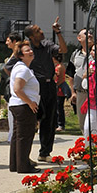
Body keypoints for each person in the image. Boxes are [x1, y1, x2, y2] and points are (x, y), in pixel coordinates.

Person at [24, 18, 67, 162]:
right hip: (35, 86)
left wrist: (58, 33)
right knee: (31, 120)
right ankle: (25, 155)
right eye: (37, 31)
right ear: (31, 36)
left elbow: (63, 50)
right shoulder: (27, 49)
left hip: (49, 86)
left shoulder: (47, 45)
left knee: (49, 120)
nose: (41, 32)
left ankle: (45, 152)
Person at [8, 41, 40, 173]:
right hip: (23, 106)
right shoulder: (23, 69)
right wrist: (30, 102)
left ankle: (15, 164)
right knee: (25, 137)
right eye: (27, 51)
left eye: (30, 49)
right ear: (21, 55)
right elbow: (17, 89)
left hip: (17, 105)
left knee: (18, 136)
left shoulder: (20, 67)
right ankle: (23, 166)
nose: (30, 51)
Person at [68, 28, 92, 135]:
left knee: (94, 120)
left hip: (94, 92)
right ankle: (86, 142)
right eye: (87, 34)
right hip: (81, 93)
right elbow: (71, 75)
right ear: (79, 38)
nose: (90, 35)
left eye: (91, 33)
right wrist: (73, 92)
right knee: (82, 120)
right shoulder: (75, 54)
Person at [0, 31, 22, 141]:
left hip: (16, 88)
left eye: (8, 40)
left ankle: (13, 135)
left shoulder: (17, 54)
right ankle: (12, 134)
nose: (6, 42)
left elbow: (6, 68)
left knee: (13, 113)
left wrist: (10, 76)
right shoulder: (14, 54)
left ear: (14, 41)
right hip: (12, 87)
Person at [53, 51, 70, 130]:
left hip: (59, 90)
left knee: (59, 108)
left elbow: (60, 79)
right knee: (56, 107)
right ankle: (56, 123)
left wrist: (54, 86)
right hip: (57, 89)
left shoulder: (60, 67)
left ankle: (61, 124)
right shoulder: (58, 66)